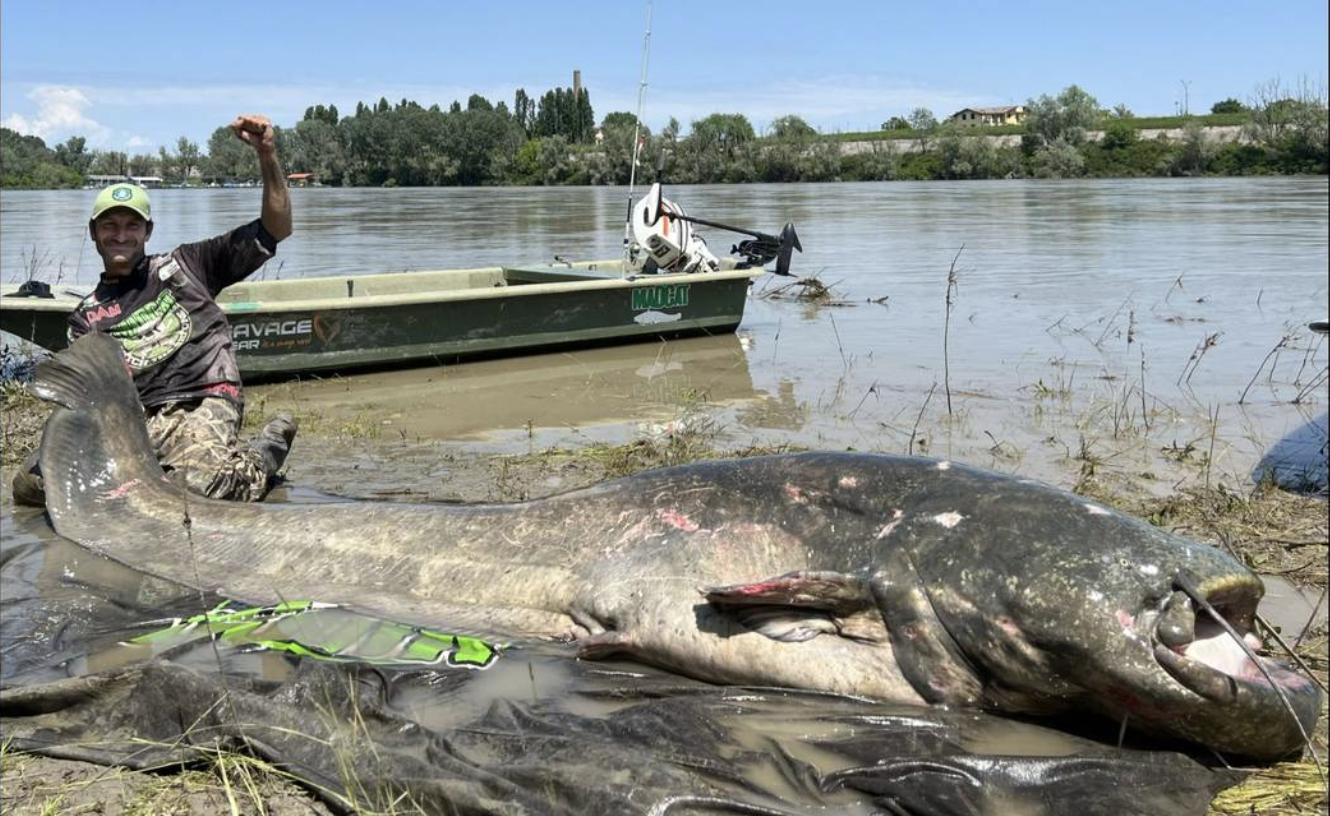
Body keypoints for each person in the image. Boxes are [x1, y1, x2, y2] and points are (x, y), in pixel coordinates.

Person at [13, 114, 297, 506]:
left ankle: (263, 455)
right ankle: (161, 471)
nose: (121, 235)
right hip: (136, 420)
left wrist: (267, 155)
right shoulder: (85, 318)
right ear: (93, 233)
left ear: (147, 231)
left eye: (132, 225)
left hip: (204, 398)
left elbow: (276, 227)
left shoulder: (188, 265)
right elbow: (90, 398)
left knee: (197, 491)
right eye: (109, 225)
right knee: (33, 486)